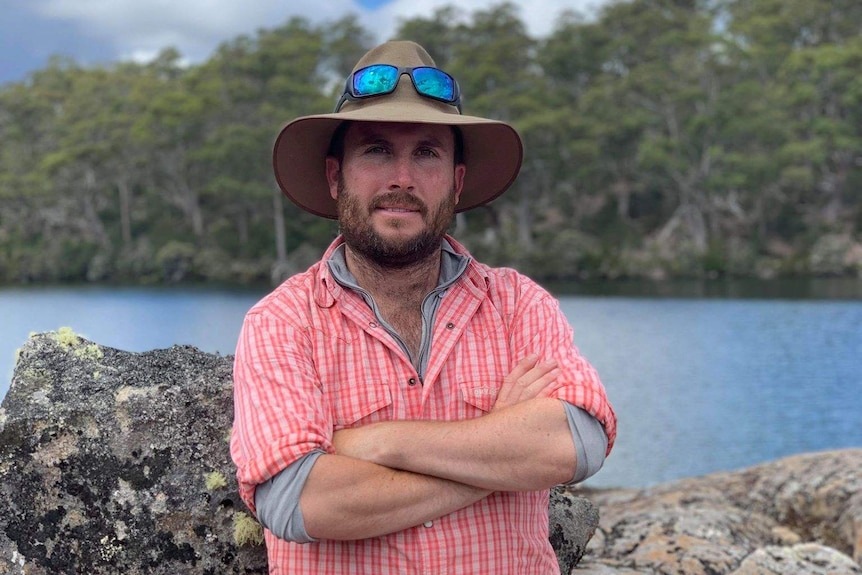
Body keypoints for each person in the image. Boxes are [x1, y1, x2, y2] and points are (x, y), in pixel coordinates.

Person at [230, 40, 617, 574]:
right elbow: (300, 501)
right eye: (376, 150)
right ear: (335, 175)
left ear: (456, 182)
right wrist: (501, 454)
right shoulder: (282, 321)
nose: (402, 179)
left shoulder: (517, 302)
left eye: (427, 153)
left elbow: (577, 442)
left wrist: (379, 442)